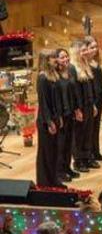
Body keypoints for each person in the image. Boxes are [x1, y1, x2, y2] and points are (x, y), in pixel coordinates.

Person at [69, 39, 97, 174]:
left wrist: (92, 105)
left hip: (88, 104)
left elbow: (89, 88)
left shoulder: (85, 64)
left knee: (88, 132)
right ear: (76, 52)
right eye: (83, 50)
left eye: (86, 50)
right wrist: (77, 109)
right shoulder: (73, 67)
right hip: (79, 106)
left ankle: (86, 157)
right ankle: (78, 160)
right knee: (79, 134)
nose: (86, 52)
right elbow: (74, 91)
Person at [36, 50, 62, 187]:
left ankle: (54, 179)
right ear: (46, 60)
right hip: (46, 121)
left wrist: (58, 117)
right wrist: (49, 121)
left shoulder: (53, 75)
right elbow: (44, 102)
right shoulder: (42, 78)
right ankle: (44, 182)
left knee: (54, 151)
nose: (56, 60)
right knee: (46, 152)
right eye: (53, 58)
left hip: (54, 118)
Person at [54, 48, 76, 183]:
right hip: (61, 114)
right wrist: (59, 116)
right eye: (62, 57)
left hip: (70, 112)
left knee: (69, 143)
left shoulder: (69, 73)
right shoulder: (55, 77)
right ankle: (59, 171)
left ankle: (67, 167)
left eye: (66, 57)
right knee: (61, 145)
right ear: (56, 60)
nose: (65, 59)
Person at [85, 36, 102, 163]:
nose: (94, 50)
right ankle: (89, 153)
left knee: (96, 126)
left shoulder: (96, 63)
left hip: (99, 96)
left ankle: (96, 151)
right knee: (90, 128)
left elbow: (101, 81)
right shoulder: (86, 65)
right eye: (91, 47)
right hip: (91, 98)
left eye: (95, 47)